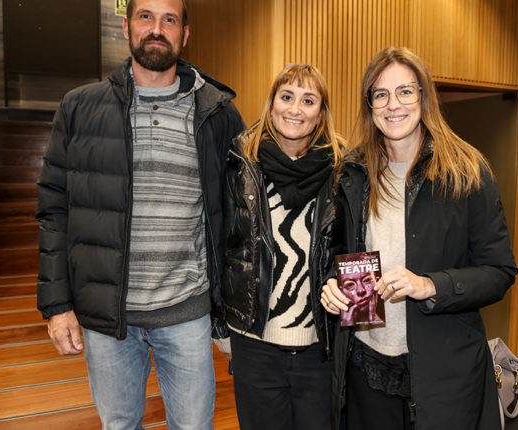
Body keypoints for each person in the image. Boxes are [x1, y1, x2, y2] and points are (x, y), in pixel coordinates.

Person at [35, 0, 244, 428]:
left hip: (186, 312)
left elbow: (241, 212)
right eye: (146, 16)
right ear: (127, 25)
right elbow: (54, 211)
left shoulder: (217, 112)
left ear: (184, 34)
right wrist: (57, 306)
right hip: (108, 317)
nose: (157, 28)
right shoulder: (80, 108)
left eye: (170, 19)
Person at [320, 47, 518, 430]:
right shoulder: (353, 172)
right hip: (366, 369)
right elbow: (341, 254)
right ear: (369, 105)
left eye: (405, 91)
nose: (393, 104)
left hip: (444, 375)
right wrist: (332, 285)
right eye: (381, 94)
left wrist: (429, 285)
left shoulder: (466, 172)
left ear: (424, 97)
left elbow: (499, 272)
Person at [219, 63, 344, 430]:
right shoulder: (240, 163)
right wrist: (220, 324)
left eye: (308, 100)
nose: (295, 109)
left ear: (321, 113)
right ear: (272, 103)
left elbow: (353, 246)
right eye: (287, 97)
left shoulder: (344, 171)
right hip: (254, 345)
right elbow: (221, 244)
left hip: (320, 347)